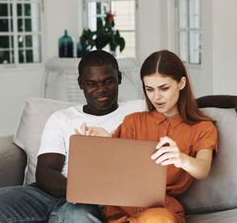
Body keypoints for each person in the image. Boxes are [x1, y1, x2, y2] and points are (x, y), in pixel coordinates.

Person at [0, 50, 237, 223]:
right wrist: (99, 145)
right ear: (80, 84)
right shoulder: (111, 118)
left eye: (108, 81)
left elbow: (190, 108)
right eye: (92, 84)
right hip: (79, 198)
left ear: (120, 80)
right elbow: (52, 169)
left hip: (117, 204)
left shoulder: (157, 115)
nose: (101, 89)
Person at [79, 50, 217, 222]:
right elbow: (115, 170)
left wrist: (180, 158)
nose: (156, 97)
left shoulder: (203, 128)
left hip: (160, 211)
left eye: (164, 88)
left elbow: (202, 169)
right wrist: (102, 144)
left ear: (181, 83)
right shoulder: (133, 122)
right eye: (149, 89)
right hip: (120, 207)